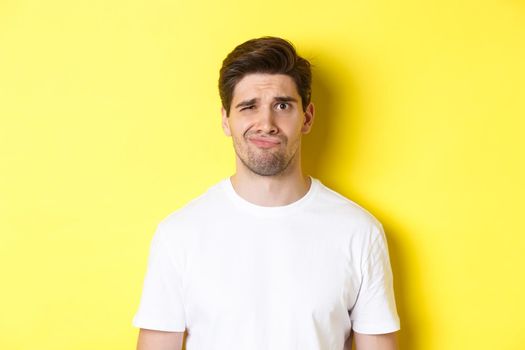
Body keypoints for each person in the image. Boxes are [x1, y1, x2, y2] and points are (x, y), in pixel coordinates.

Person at [133, 36, 400, 350]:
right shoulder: (178, 234)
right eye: (248, 107)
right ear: (225, 120)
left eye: (282, 105)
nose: (266, 123)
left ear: (307, 117)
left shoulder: (359, 232)